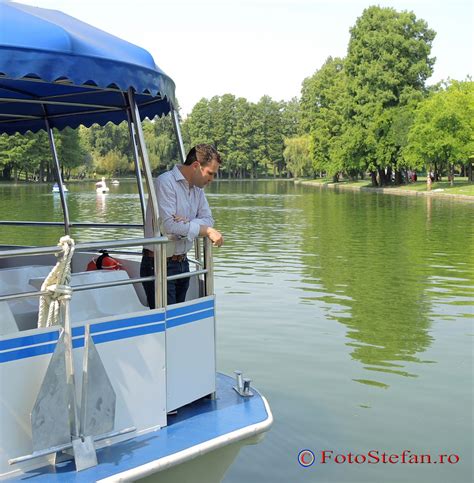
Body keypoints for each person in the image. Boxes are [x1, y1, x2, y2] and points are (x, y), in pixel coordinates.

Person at [141, 144, 224, 308]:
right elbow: (170, 226)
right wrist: (205, 230)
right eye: (210, 173)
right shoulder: (165, 182)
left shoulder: (197, 189)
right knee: (166, 323)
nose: (212, 179)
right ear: (196, 166)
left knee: (177, 322)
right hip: (159, 264)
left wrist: (188, 223)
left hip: (182, 263)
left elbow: (209, 219)